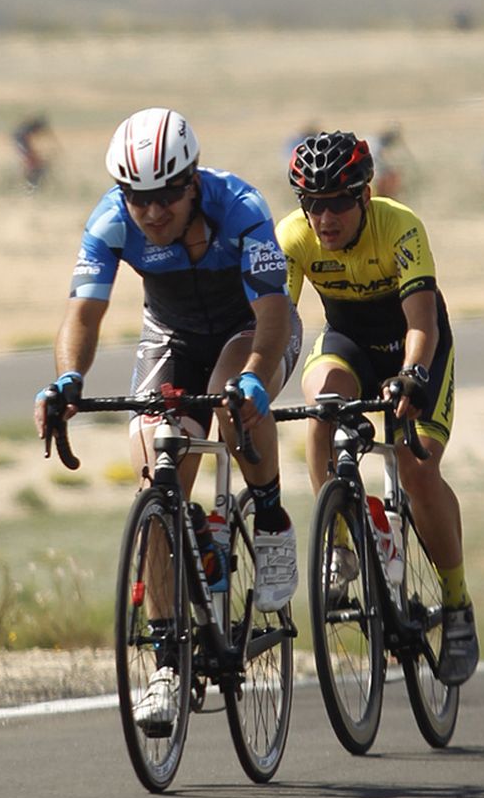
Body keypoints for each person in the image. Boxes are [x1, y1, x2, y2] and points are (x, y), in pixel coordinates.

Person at [34, 107, 302, 731]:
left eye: (164, 197)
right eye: (137, 198)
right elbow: (82, 316)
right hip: (172, 334)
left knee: (229, 404)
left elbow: (270, 319)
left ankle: (269, 513)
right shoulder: (110, 222)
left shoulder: (240, 208)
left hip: (251, 329)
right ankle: (166, 664)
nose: (150, 213)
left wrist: (257, 380)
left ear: (191, 183)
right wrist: (68, 379)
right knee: (158, 471)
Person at [278, 130, 479, 686]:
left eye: (338, 201)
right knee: (322, 405)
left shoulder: (401, 226)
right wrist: (252, 380)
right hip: (349, 343)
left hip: (415, 349)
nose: (325, 217)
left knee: (417, 468)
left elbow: (422, 323)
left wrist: (412, 376)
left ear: (364, 196)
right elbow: (276, 323)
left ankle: (458, 604)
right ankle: (340, 548)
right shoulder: (293, 237)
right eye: (312, 204)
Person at [12, 114, 56, 192]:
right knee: (33, 165)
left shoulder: (26, 130)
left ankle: (32, 185)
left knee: (35, 164)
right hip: (22, 143)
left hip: (23, 144)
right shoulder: (23, 133)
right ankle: (30, 186)